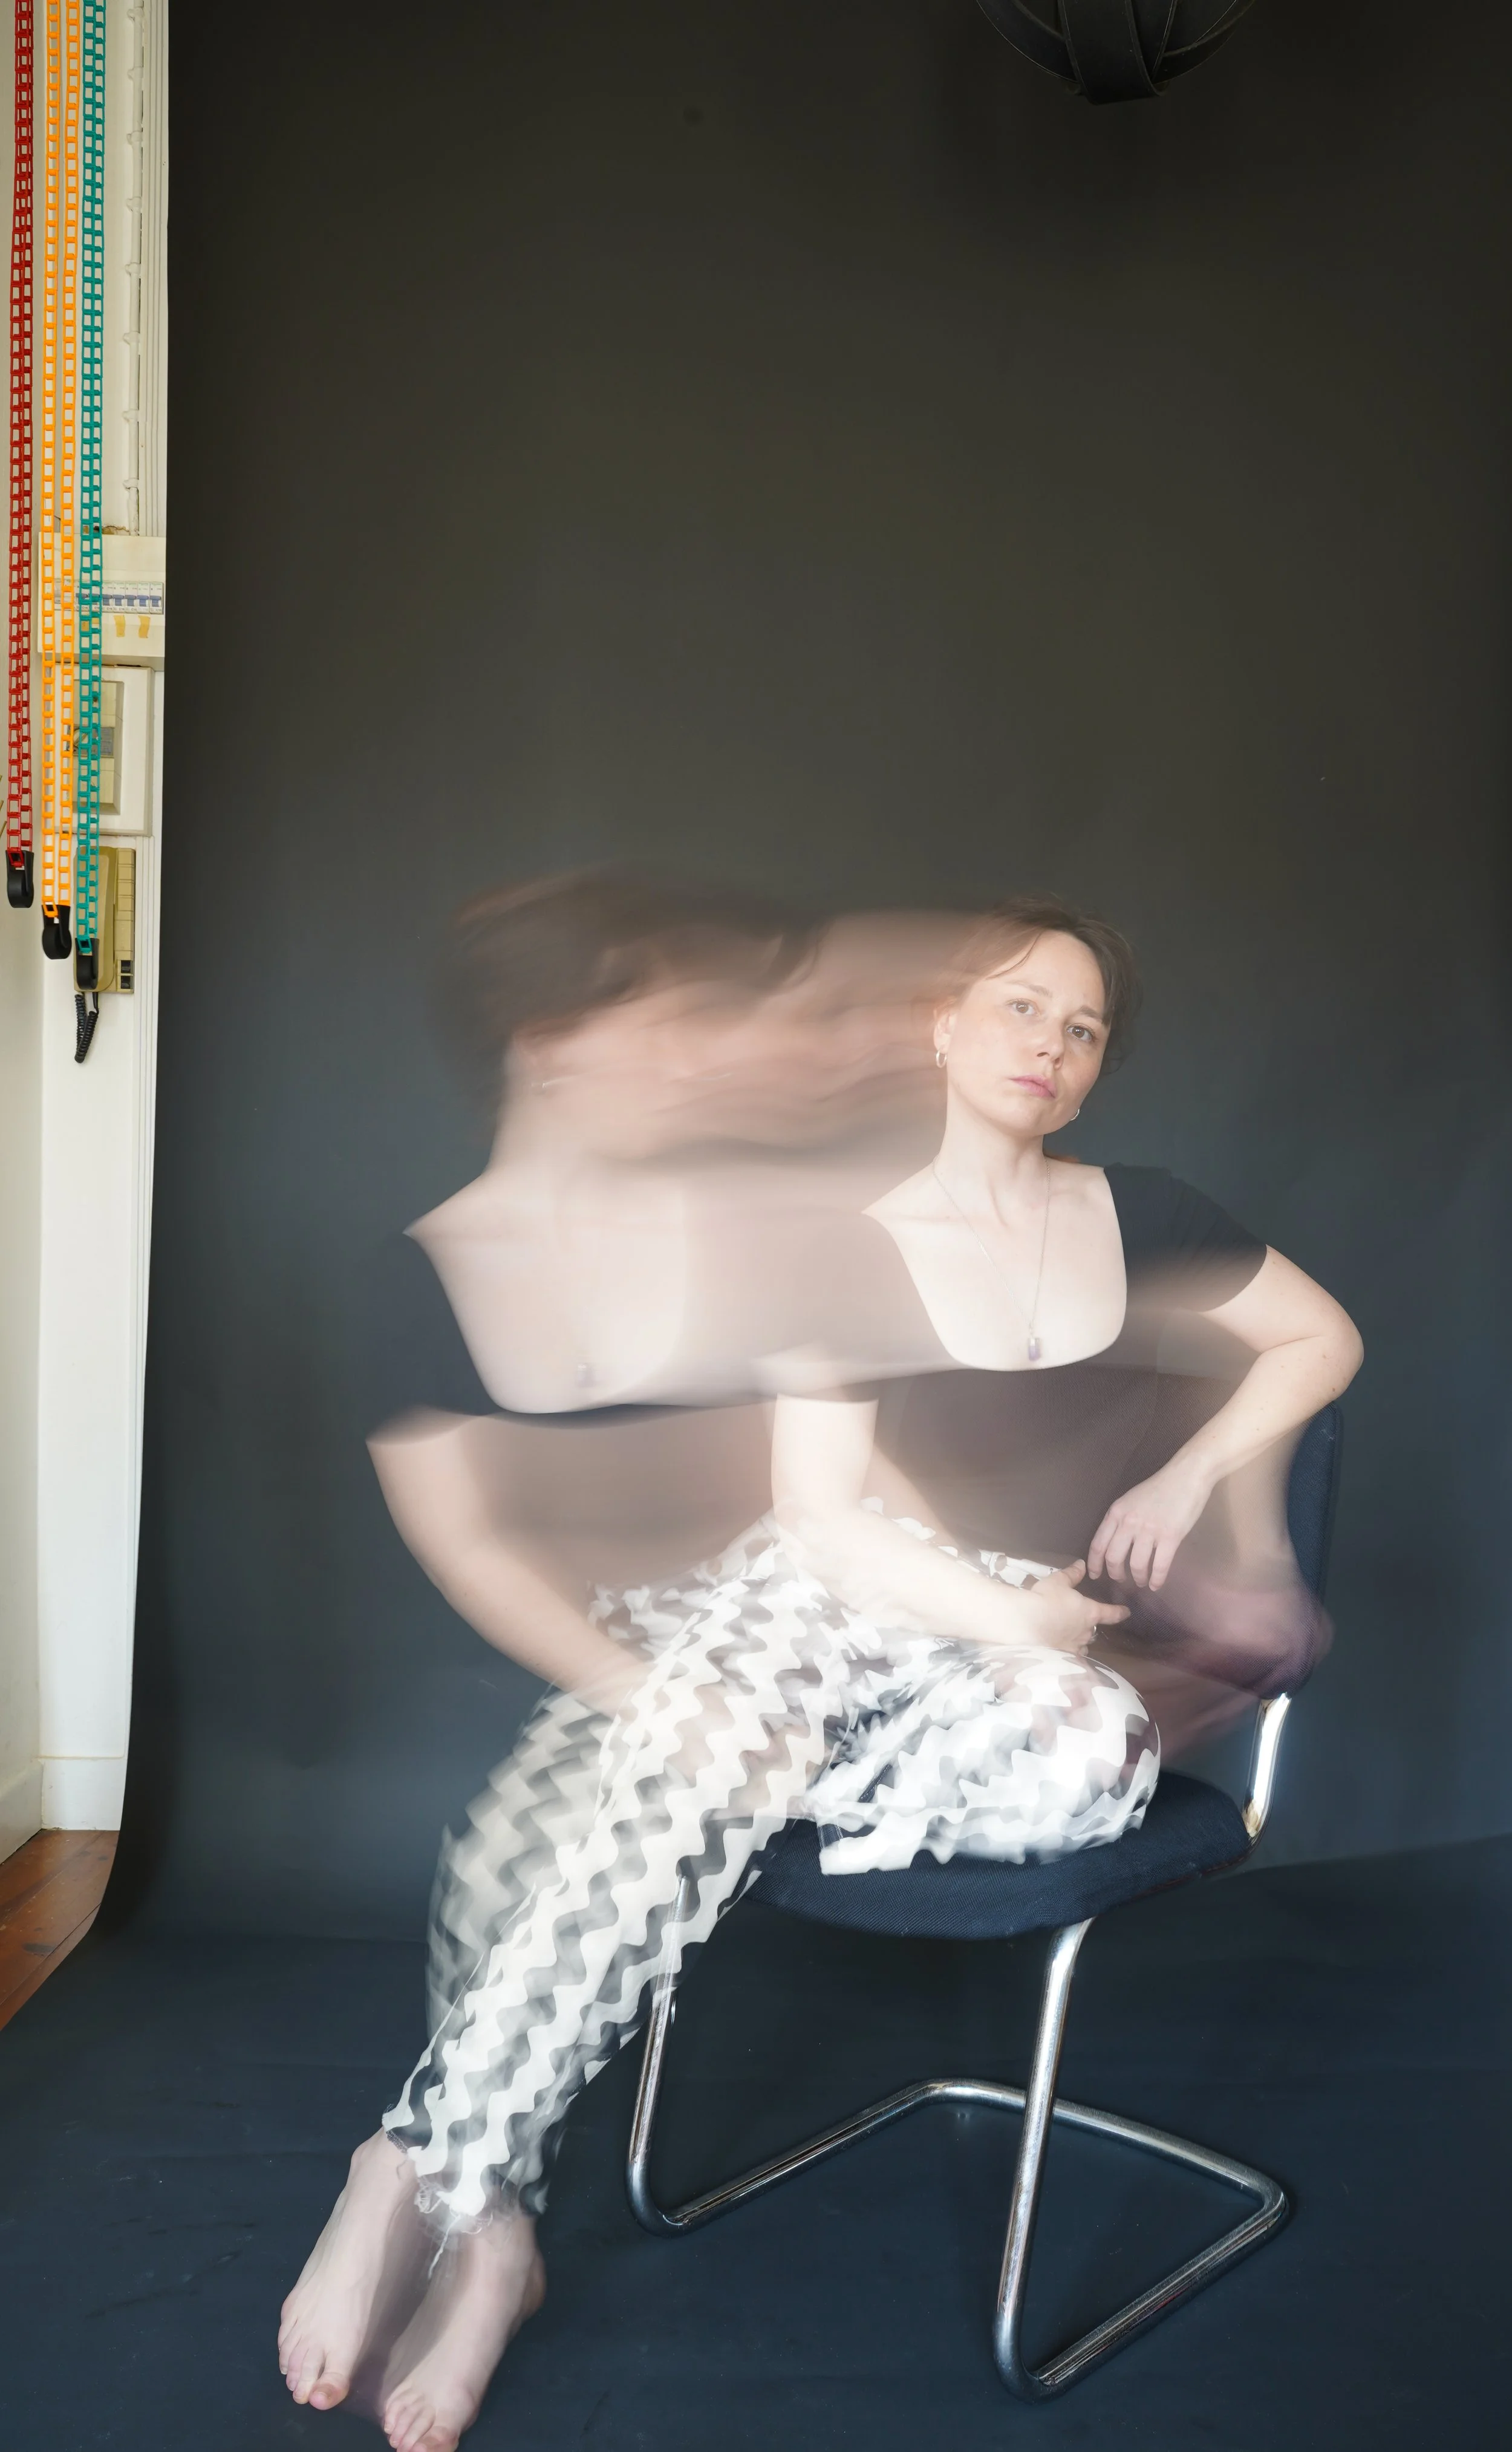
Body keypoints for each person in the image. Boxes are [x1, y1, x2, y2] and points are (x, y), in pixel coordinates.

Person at [278, 880, 1360, 2452]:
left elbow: (1322, 1339)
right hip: (853, 1590)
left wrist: (1186, 1480)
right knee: (755, 1676)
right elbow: (827, 1520)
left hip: (988, 1666)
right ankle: (434, 2169)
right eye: (1017, 1004)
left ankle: (737, 1763)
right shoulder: (836, 1241)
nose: (1049, 1043)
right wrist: (988, 1613)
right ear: (944, 1024)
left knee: (1066, 1760)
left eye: (1081, 1026)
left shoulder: (1153, 1211)